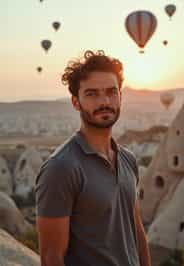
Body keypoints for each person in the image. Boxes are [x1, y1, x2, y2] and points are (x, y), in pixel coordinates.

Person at [35, 50, 151, 266]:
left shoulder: (128, 160)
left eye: (111, 92)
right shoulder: (61, 168)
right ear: (76, 102)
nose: (104, 101)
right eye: (92, 94)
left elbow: (136, 231)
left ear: (120, 96)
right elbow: (51, 257)